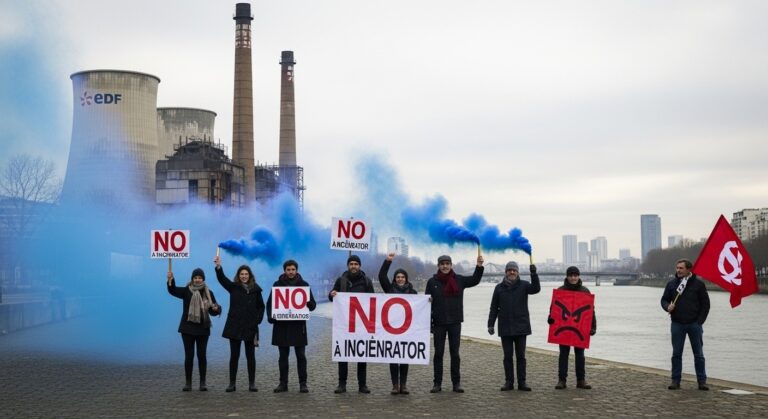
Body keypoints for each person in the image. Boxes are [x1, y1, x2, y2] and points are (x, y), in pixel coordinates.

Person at [425, 254, 484, 393]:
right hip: (438, 322)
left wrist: (479, 266)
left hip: (455, 322)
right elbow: (425, 304)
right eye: (442, 264)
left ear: (451, 265)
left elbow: (475, 280)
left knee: (455, 354)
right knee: (438, 354)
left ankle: (456, 383)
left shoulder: (459, 280)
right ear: (438, 266)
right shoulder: (432, 281)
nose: (445, 266)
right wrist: (429, 323)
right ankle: (437, 383)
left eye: (447, 263)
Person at [214, 255, 265, 392]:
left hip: (250, 327)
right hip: (234, 326)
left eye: (246, 274)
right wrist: (218, 267)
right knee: (234, 356)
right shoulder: (233, 287)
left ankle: (252, 383)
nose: (243, 276)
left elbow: (261, 306)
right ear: (238, 275)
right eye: (241, 274)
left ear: (250, 275)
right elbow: (222, 279)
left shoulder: (256, 289)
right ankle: (232, 383)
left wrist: (257, 320)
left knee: (250, 357)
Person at [487, 261, 540, 391]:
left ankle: (522, 382)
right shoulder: (499, 288)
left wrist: (534, 274)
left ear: (517, 272)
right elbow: (494, 307)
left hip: (521, 327)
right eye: (509, 270)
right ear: (506, 272)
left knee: (521, 356)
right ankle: (509, 382)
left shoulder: (524, 285)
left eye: (514, 270)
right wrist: (490, 324)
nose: (512, 272)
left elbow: (536, 289)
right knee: (507, 357)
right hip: (505, 327)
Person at [166, 267, 221, 391]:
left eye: (199, 278)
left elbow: (213, 309)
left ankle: (202, 383)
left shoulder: (208, 292)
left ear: (203, 279)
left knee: (202, 356)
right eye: (195, 278)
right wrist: (170, 279)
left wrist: (217, 309)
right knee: (189, 356)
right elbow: (173, 290)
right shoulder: (186, 291)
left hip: (203, 329)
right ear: (192, 279)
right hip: (187, 328)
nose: (197, 280)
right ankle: (188, 383)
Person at [266, 259, 317, 393]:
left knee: (301, 356)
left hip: (298, 326)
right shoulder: (277, 285)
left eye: (293, 269)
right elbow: (270, 303)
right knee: (283, 357)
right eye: (288, 270)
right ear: (284, 271)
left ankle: (303, 383)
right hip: (281, 326)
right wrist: (270, 316)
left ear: (296, 270)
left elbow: (312, 304)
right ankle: (283, 383)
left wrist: (310, 305)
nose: (290, 272)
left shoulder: (304, 285)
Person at [660, 258, 710, 390]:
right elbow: (664, 300)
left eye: (681, 268)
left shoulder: (699, 284)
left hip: (694, 324)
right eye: (677, 268)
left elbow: (706, 305)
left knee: (698, 354)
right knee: (676, 354)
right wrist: (667, 306)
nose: (678, 270)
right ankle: (675, 381)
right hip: (677, 323)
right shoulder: (671, 284)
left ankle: (702, 381)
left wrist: (699, 322)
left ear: (689, 270)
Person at [328, 254, 375, 394]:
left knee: (362, 355)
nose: (353, 266)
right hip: (344, 324)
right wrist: (332, 294)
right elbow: (331, 296)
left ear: (360, 266)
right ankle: (342, 384)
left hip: (361, 324)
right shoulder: (341, 280)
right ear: (348, 266)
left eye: (356, 264)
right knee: (343, 354)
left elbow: (373, 301)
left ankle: (362, 385)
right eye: (351, 264)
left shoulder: (366, 281)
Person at [549, 266, 596, 390]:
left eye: (575, 275)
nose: (573, 277)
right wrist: (550, 318)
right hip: (564, 328)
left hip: (580, 329)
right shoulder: (560, 291)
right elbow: (554, 309)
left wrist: (593, 327)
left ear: (578, 276)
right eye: (571, 275)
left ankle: (581, 380)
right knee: (563, 355)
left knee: (580, 355)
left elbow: (591, 311)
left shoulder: (585, 291)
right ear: (567, 276)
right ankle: (561, 380)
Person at [378, 252, 418, 395]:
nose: (400, 279)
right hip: (392, 329)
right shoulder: (390, 290)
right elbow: (382, 276)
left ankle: (404, 384)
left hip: (407, 330)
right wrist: (388, 261)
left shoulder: (413, 293)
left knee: (405, 357)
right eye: (398, 277)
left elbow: (419, 311)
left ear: (406, 279)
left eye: (402, 277)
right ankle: (395, 385)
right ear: (395, 279)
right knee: (394, 358)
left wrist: (428, 302)